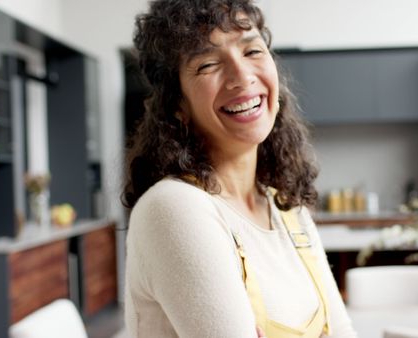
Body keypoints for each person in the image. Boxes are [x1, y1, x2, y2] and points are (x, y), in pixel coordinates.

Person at [122, 0, 358, 337]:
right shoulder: (175, 208)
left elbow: (342, 330)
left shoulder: (287, 209)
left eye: (252, 51)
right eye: (207, 64)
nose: (242, 76)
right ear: (178, 104)